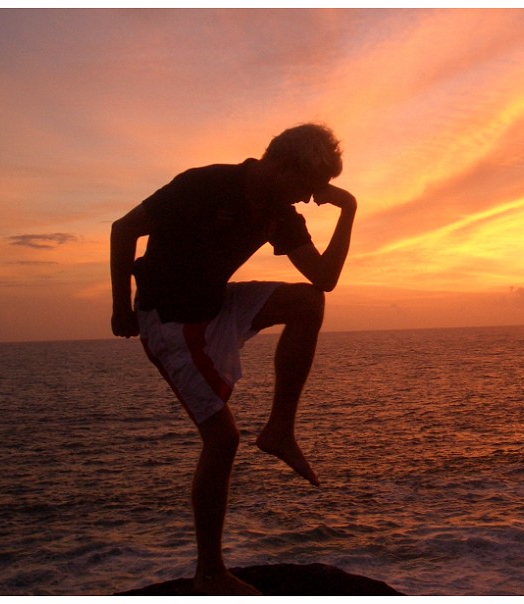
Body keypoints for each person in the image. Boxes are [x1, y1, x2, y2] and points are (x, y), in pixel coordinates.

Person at [109, 123, 356, 595]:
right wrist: (122, 307)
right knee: (222, 439)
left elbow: (324, 277)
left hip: (215, 302)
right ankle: (209, 573)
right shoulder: (205, 184)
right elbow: (124, 230)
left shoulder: (279, 213)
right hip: (169, 317)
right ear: (283, 167)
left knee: (309, 302)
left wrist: (349, 209)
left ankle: (280, 429)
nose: (309, 199)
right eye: (307, 186)